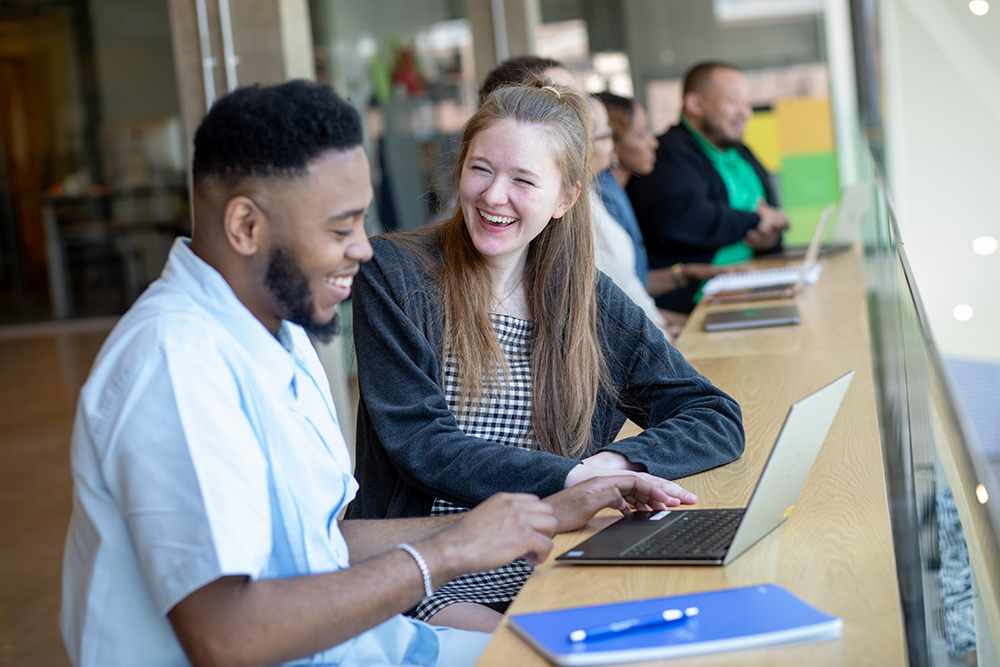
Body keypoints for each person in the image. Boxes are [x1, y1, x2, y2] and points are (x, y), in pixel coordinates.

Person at [59, 80, 683, 667]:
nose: (364, 249)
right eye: (340, 228)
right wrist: (451, 552)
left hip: (377, 644)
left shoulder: (274, 333)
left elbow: (317, 548)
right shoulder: (177, 363)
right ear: (246, 226)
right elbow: (228, 636)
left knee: (641, 639)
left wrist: (529, 516)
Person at [349, 80, 746, 632]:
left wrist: (613, 467)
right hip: (436, 566)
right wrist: (573, 478)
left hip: (555, 554)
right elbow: (423, 445)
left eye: (522, 180)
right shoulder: (395, 273)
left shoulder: (585, 296)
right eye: (481, 169)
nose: (492, 196)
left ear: (565, 198)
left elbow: (713, 414)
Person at [626, 61, 790, 314]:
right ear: (695, 105)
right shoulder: (666, 154)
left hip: (753, 286)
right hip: (696, 305)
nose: (746, 112)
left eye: (746, 103)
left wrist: (770, 236)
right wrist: (754, 220)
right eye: (733, 101)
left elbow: (773, 213)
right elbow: (681, 217)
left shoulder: (741, 151)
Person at [594, 92, 737, 333]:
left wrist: (687, 273)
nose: (654, 142)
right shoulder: (605, 201)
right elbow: (625, 297)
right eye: (641, 134)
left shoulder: (617, 192)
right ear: (613, 144)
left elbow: (633, 282)